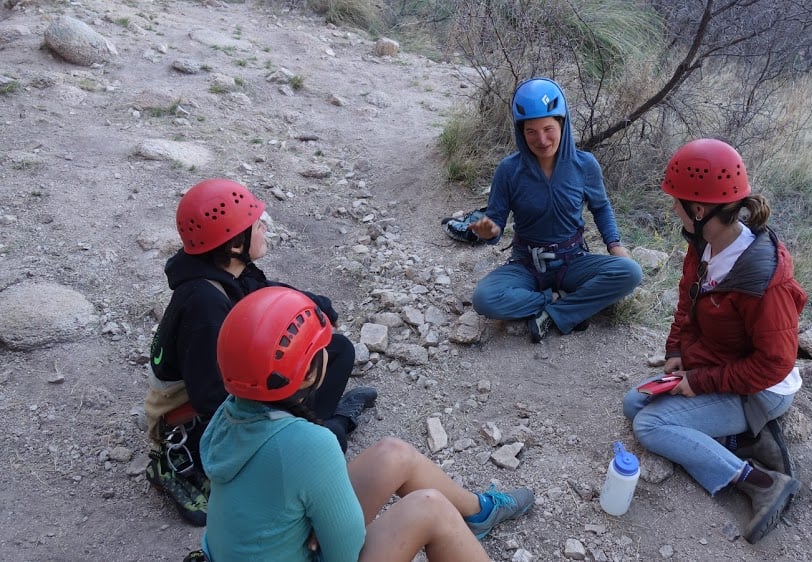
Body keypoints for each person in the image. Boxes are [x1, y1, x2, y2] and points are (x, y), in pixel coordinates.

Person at [194, 286, 534, 561]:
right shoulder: (308, 444)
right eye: (322, 346)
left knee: (393, 453)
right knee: (431, 509)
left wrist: (316, 518)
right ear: (309, 373)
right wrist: (326, 522)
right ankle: (459, 525)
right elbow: (343, 554)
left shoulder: (231, 410)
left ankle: (477, 513)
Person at [144, 178, 376, 526]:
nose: (264, 226)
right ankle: (335, 426)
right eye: (256, 224)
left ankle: (320, 428)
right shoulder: (203, 305)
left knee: (335, 349)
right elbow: (214, 401)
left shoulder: (225, 270)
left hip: (223, 391)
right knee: (315, 450)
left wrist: (317, 306)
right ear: (235, 244)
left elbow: (264, 292)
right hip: (194, 423)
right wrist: (280, 408)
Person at [622, 139, 808, 544]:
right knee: (633, 401)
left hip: (760, 390)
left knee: (650, 425)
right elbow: (687, 301)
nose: (673, 209)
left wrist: (701, 382)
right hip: (720, 362)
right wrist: (675, 351)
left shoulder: (762, 278)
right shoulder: (706, 244)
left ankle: (761, 482)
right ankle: (742, 440)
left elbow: (775, 364)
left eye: (677, 202)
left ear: (700, 209)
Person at [469, 77, 642, 343]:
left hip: (573, 261)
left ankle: (552, 313)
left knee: (630, 272)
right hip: (526, 264)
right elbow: (495, 223)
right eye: (531, 131)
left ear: (563, 123)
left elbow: (601, 207)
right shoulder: (508, 170)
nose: (541, 139)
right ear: (520, 131)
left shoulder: (585, 165)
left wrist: (614, 245)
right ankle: (559, 302)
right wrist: (489, 231)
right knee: (484, 298)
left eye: (548, 128)